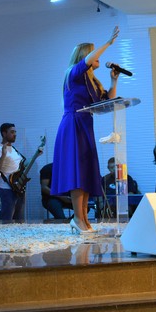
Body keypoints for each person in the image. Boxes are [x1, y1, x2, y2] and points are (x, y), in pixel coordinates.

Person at [51, 26, 120, 233]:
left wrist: (114, 80)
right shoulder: (72, 73)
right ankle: (78, 219)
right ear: (85, 56)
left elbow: (107, 101)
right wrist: (108, 43)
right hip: (73, 125)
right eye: (93, 53)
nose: (98, 57)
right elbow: (88, 61)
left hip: (86, 125)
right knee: (77, 173)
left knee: (86, 172)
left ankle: (83, 219)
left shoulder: (92, 82)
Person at [0, 123, 27, 223]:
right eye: (12, 132)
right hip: (7, 189)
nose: (15, 134)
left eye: (15, 132)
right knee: (7, 218)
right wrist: (3, 155)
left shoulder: (14, 149)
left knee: (19, 218)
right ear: (4, 133)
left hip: (18, 188)